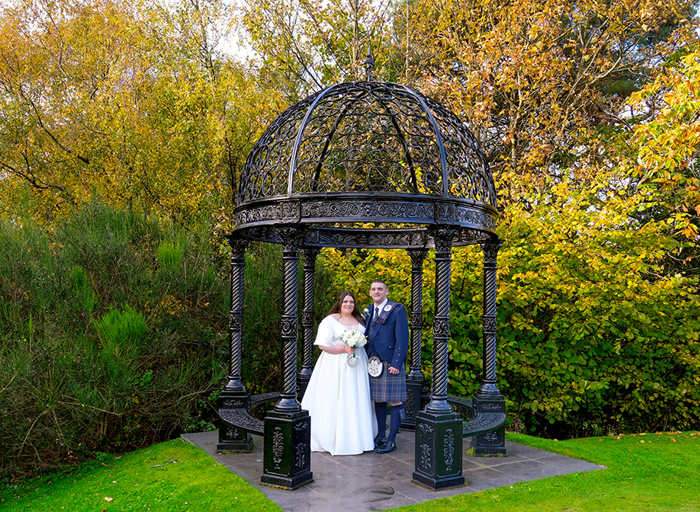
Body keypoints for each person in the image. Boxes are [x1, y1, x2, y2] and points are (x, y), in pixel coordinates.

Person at [301, 291, 378, 456]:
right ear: (340, 303)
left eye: (351, 302)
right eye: (345, 302)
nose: (348, 304)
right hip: (335, 365)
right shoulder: (330, 321)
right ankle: (335, 438)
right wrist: (344, 348)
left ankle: (359, 437)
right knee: (337, 397)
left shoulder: (360, 320)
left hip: (358, 364)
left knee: (356, 397)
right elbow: (323, 345)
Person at [365, 279, 409, 454]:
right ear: (370, 292)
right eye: (374, 289)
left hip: (390, 362)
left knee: (395, 400)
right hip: (373, 362)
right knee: (379, 399)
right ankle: (381, 435)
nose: (377, 292)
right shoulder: (368, 310)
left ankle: (392, 440)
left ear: (386, 292)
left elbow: (403, 339)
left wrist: (397, 363)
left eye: (380, 289)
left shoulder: (397, 310)